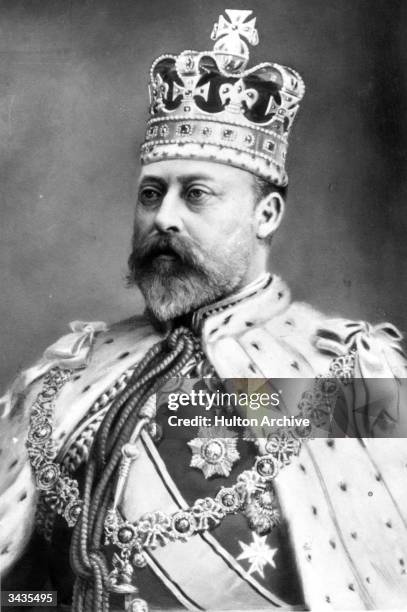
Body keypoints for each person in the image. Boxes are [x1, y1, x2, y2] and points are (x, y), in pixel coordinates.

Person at [1, 9, 407, 612]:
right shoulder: (64, 379)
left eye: (195, 194)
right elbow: (20, 590)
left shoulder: (349, 375)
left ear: (265, 215)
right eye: (150, 193)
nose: (163, 217)